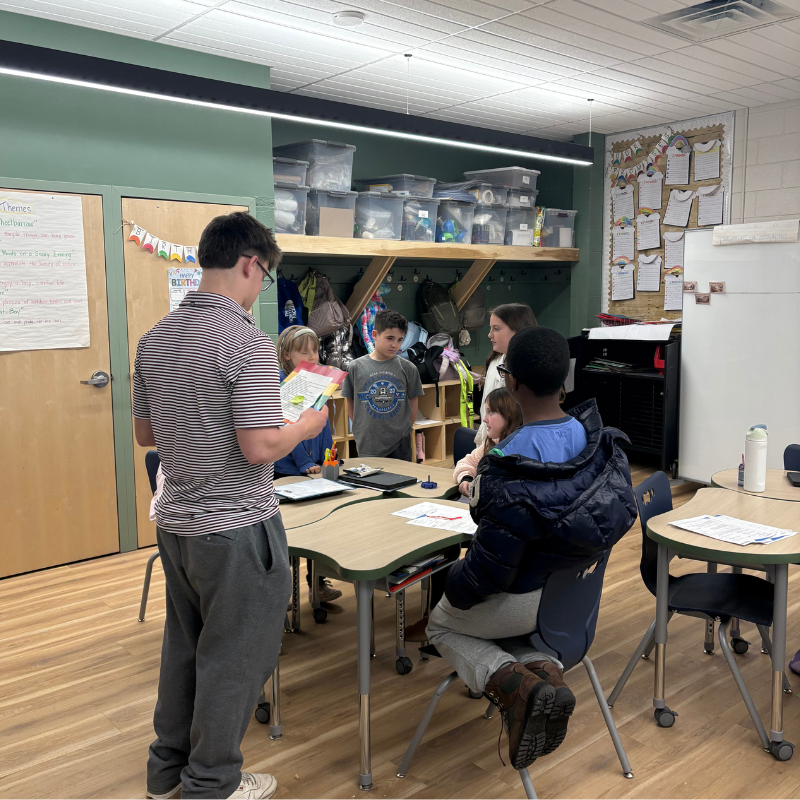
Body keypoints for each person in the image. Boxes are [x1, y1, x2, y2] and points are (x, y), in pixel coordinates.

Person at [133, 211, 329, 800]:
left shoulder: (155, 336)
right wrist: (307, 424)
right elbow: (259, 445)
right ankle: (211, 784)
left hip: (177, 523)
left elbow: (146, 434)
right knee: (236, 657)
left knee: (185, 647)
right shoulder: (245, 340)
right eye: (265, 276)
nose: (260, 286)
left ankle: (166, 773)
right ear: (250, 264)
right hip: (238, 526)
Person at [426, 326, 637, 771]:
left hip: (525, 598)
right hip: (571, 600)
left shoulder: (511, 461)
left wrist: (452, 587)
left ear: (512, 382)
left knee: (442, 624)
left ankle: (510, 683)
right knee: (495, 619)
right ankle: (542, 676)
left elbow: (490, 571)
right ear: (565, 380)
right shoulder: (591, 439)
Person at [274, 324, 341, 604]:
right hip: (288, 471)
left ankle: (317, 583)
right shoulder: (282, 384)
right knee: (289, 534)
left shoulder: (319, 381)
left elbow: (323, 425)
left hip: (315, 467)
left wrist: (327, 458)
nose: (313, 356)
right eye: (304, 351)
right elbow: (289, 426)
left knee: (319, 527)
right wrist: (304, 463)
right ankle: (284, 591)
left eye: (315, 350)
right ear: (287, 354)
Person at [342, 309, 423, 461]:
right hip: (368, 442)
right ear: (375, 335)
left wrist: (404, 431)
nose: (395, 344)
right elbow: (351, 403)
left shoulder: (408, 368)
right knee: (371, 483)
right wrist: (361, 429)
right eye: (390, 338)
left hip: (400, 442)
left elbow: (413, 405)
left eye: (400, 339)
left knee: (402, 481)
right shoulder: (355, 367)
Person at [474, 303, 537, 447]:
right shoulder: (495, 361)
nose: (490, 335)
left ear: (518, 331)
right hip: (490, 442)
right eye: (490, 329)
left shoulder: (530, 369)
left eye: (496, 329)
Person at [453, 387, 523, 498]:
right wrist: (466, 478)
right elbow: (467, 462)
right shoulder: (493, 442)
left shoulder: (523, 449)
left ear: (509, 415)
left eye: (490, 412)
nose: (484, 419)